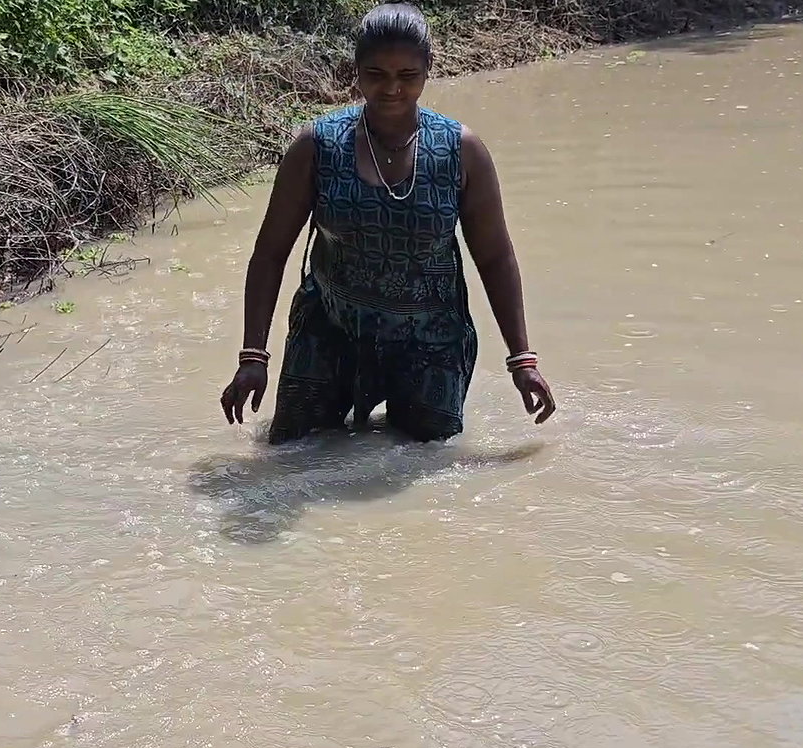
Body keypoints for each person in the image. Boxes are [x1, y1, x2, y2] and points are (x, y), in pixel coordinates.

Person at [219, 1, 556, 444]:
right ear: (356, 72)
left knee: (421, 466)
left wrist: (523, 360)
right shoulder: (317, 146)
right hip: (330, 330)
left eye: (407, 76)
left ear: (427, 71)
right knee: (290, 454)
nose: (392, 88)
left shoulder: (462, 151)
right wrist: (253, 356)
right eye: (376, 74)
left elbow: (494, 256)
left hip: (430, 342)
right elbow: (270, 252)